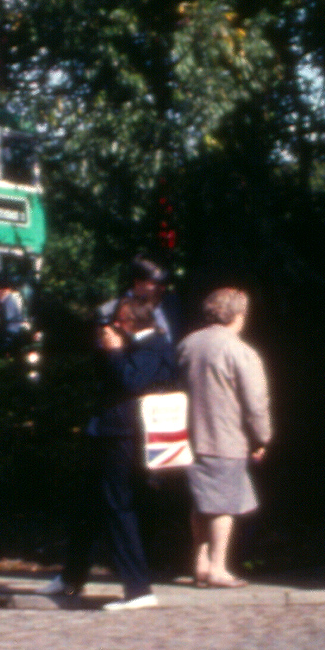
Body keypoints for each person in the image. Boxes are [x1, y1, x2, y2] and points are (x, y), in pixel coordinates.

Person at [56, 260, 180, 612]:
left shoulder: (154, 346)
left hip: (124, 434)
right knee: (90, 504)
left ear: (129, 322)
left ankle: (138, 589)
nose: (112, 325)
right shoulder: (141, 345)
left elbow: (130, 382)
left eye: (118, 321)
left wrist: (113, 352)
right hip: (110, 431)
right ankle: (71, 577)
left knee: (119, 507)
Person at [180, 285, 273, 588]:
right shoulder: (239, 351)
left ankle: (200, 563)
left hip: (189, 437)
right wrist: (262, 437)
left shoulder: (187, 344)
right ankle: (218, 568)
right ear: (238, 316)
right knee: (223, 505)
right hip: (225, 437)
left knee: (201, 503)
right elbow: (255, 401)